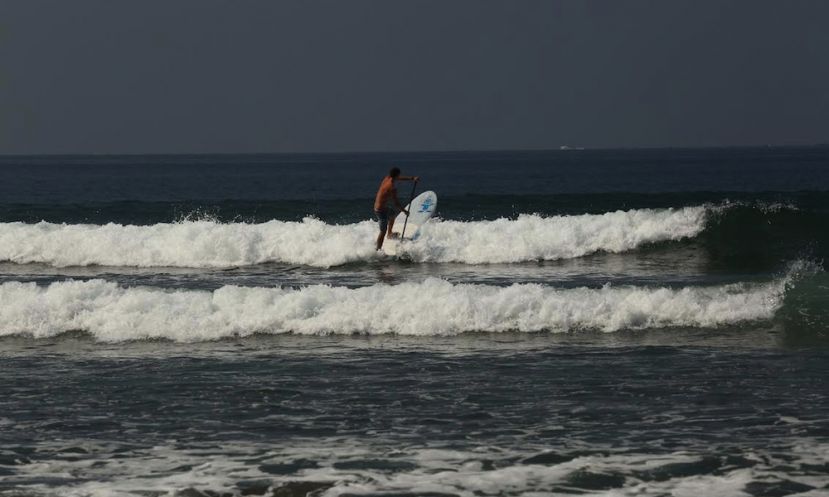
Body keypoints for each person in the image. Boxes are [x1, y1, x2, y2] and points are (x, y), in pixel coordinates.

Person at [374, 167, 419, 250]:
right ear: (397, 175)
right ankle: (377, 250)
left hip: (381, 207)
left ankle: (390, 234)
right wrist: (405, 211)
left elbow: (399, 178)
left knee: (392, 214)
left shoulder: (387, 178)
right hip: (380, 211)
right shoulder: (391, 187)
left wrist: (412, 178)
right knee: (382, 231)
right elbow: (396, 203)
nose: (400, 177)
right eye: (399, 175)